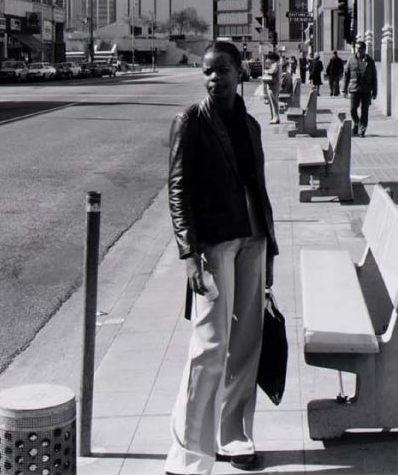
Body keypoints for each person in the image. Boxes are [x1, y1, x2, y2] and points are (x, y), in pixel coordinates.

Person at [166, 39, 278, 475]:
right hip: (215, 244)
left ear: (240, 72)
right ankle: (189, 454)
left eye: (223, 70)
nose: (215, 78)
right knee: (210, 345)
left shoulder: (250, 125)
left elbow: (260, 190)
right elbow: (178, 190)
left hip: (254, 240)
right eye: (208, 71)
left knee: (247, 344)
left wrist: (271, 251)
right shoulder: (190, 122)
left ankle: (234, 436)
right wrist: (189, 254)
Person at [342, 40, 378, 138]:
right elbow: (346, 75)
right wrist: (344, 89)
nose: (358, 50)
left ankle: (362, 130)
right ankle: (357, 122)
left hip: (366, 89)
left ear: (364, 49)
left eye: (360, 48)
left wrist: (375, 91)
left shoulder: (370, 61)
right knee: (352, 109)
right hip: (354, 88)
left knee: (364, 110)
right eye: (357, 48)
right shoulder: (351, 60)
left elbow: (374, 77)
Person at [260, 50, 281, 124]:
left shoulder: (275, 64)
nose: (269, 60)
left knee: (274, 102)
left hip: (273, 85)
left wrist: (266, 71)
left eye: (270, 58)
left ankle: (276, 117)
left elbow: (273, 71)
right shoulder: (275, 64)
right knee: (273, 102)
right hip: (272, 84)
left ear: (273, 58)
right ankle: (274, 117)